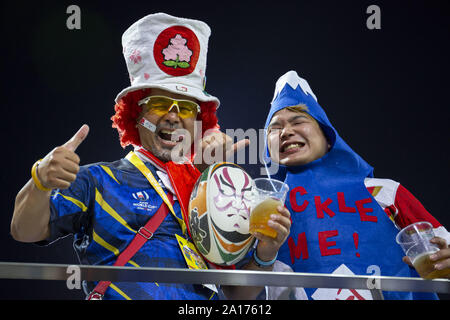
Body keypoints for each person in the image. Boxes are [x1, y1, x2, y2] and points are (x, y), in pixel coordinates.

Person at [10, 13, 289, 300]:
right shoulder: (98, 180)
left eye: (185, 108)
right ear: (135, 114)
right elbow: (24, 230)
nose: (172, 116)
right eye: (158, 103)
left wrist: (266, 252)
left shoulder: (212, 194)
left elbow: (236, 296)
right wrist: (40, 180)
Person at [262, 70, 450, 300]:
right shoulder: (262, 210)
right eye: (274, 128)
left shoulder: (384, 192)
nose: (286, 132)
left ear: (328, 137)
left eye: (298, 121)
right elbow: (239, 292)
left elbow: (443, 247)